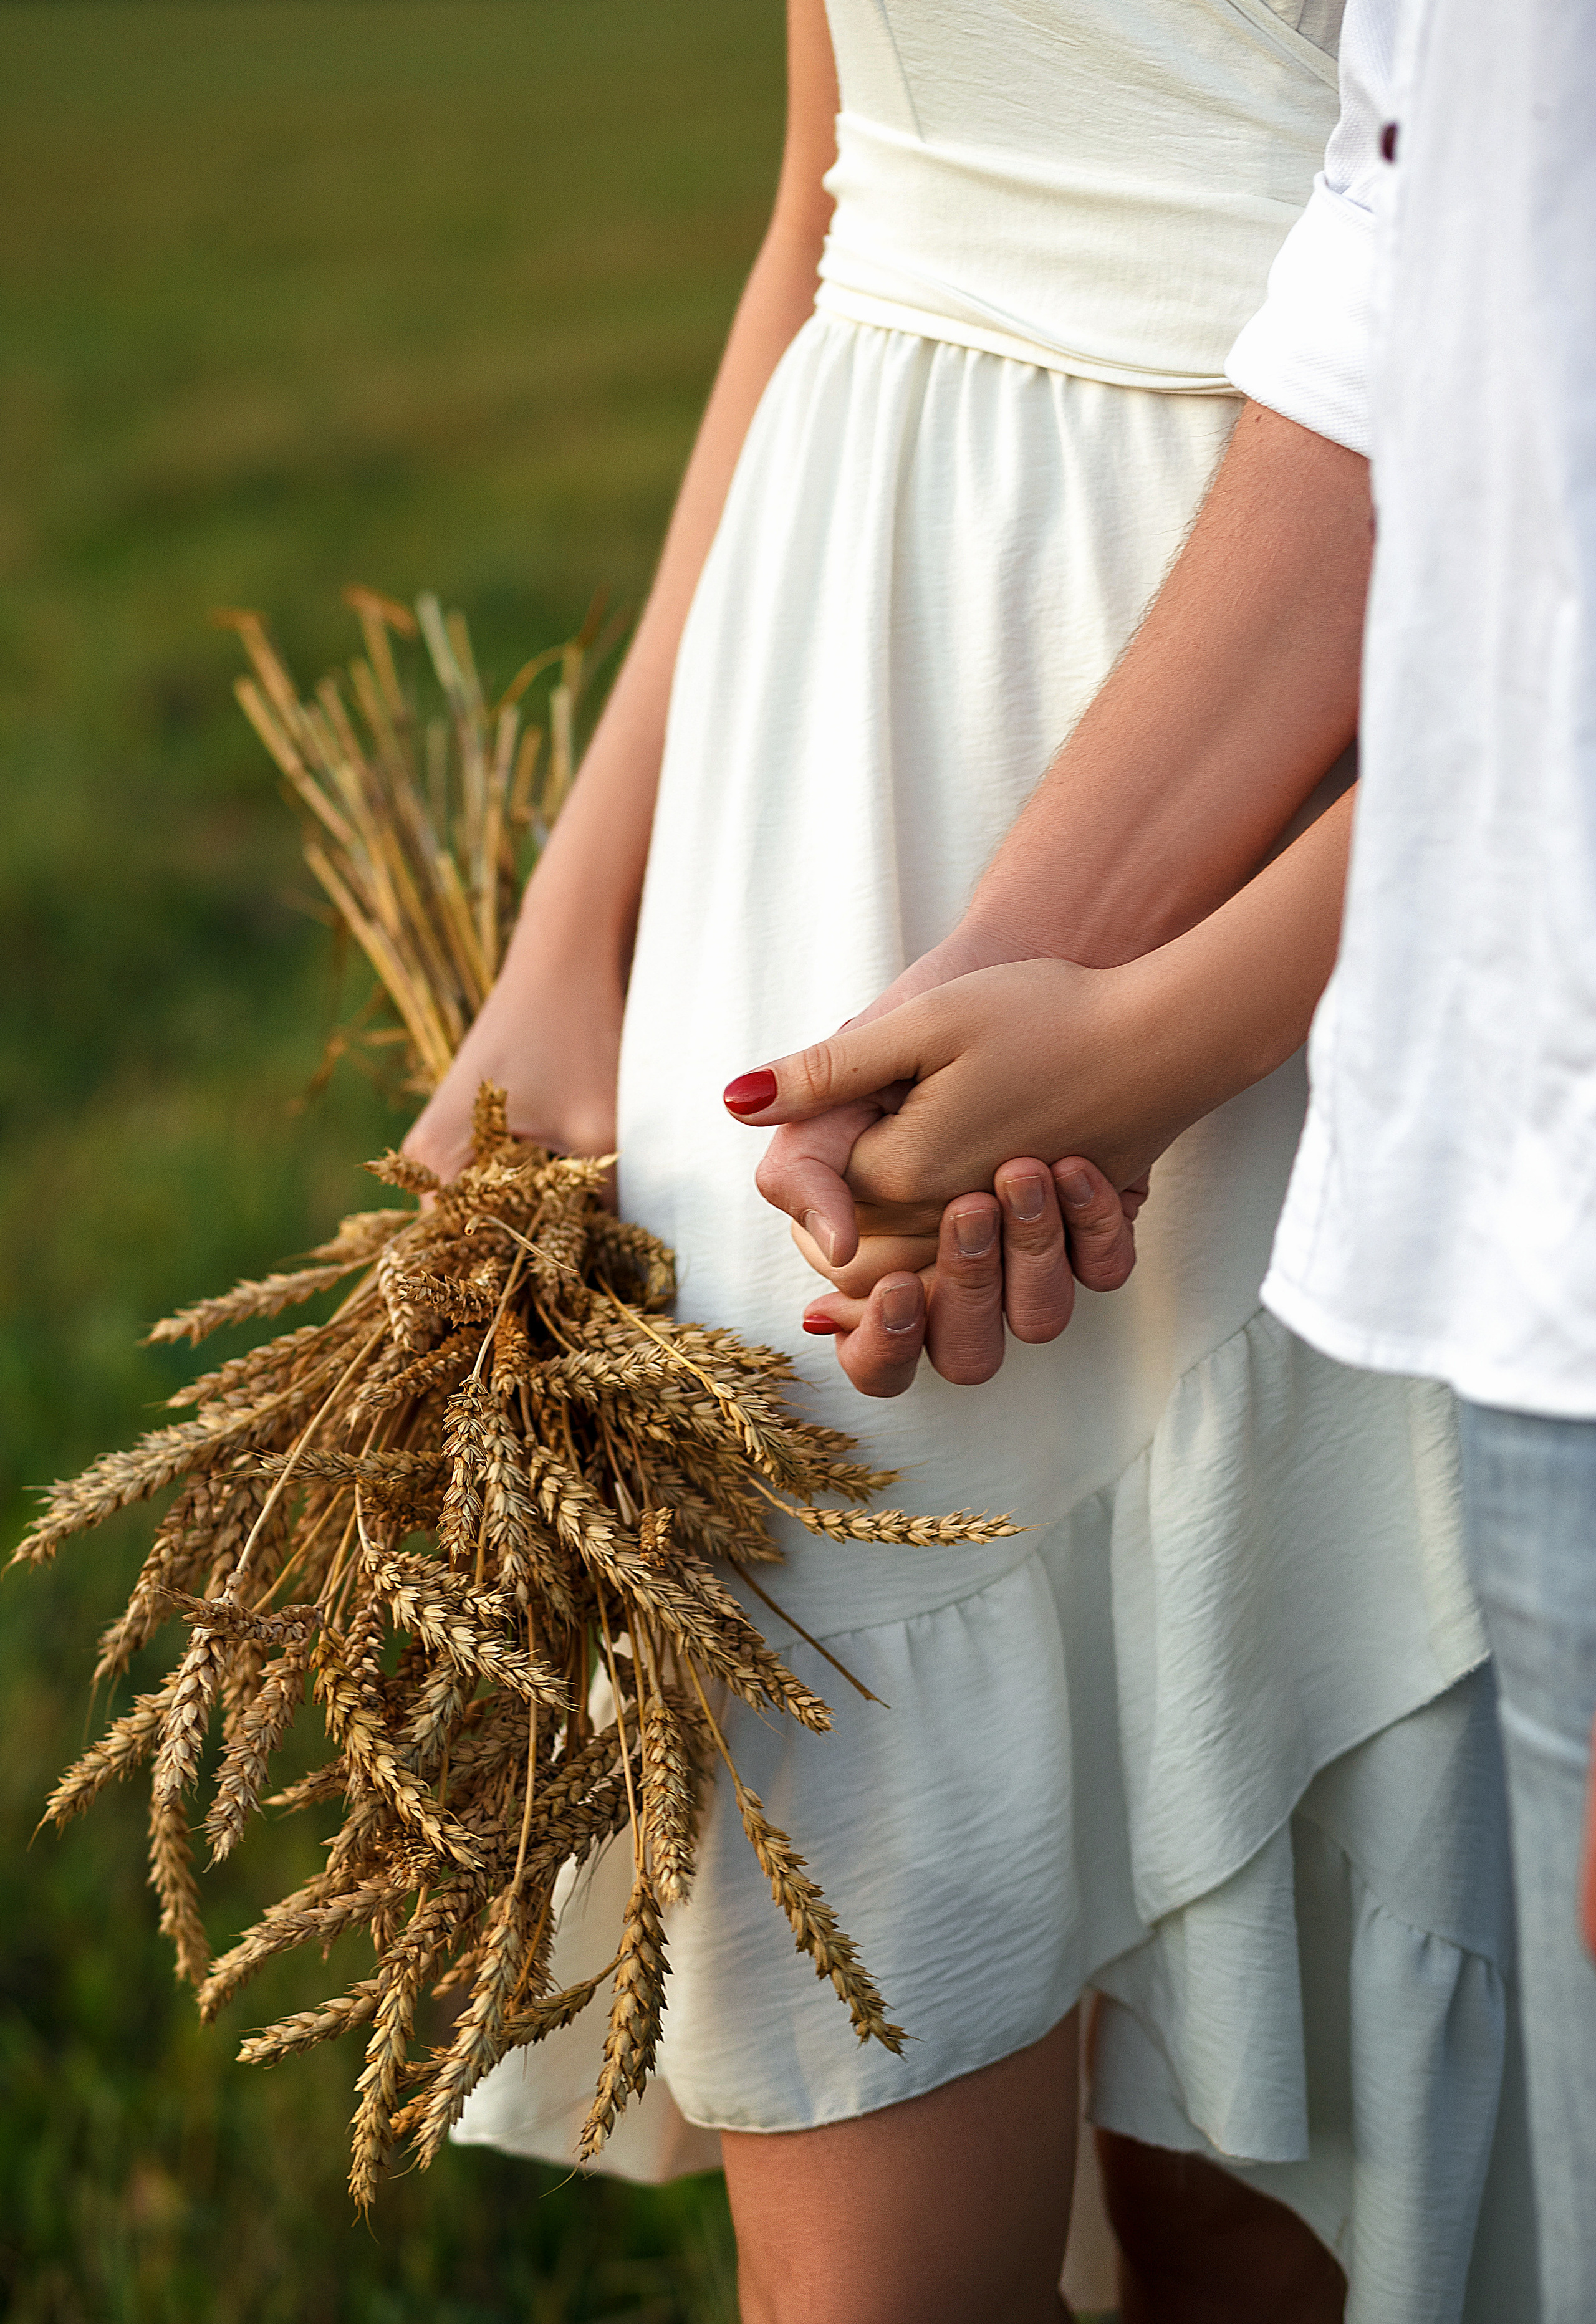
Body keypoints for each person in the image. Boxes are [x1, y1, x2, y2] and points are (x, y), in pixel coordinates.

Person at [409, 3, 1531, 2317]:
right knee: (864, 2133)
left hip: (1389, 728)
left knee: (1281, 2152)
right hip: (858, 710)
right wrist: (578, 929)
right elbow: (830, 207)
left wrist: (1183, 1008)